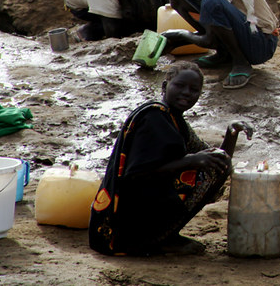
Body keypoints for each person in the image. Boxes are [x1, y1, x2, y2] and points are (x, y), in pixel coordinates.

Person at [90, 61, 252, 256]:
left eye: (194, 89)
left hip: (145, 206)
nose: (186, 92)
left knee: (214, 166)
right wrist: (191, 161)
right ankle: (157, 239)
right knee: (204, 169)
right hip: (124, 219)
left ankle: (163, 236)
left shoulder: (174, 120)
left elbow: (215, 159)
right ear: (165, 87)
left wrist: (231, 133)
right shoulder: (153, 118)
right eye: (180, 86)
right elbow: (135, 175)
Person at [161, 0, 280, 89]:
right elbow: (211, 34)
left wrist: (180, 35)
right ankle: (224, 54)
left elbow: (209, 40)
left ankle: (241, 62)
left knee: (211, 3)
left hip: (262, 42)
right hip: (245, 33)